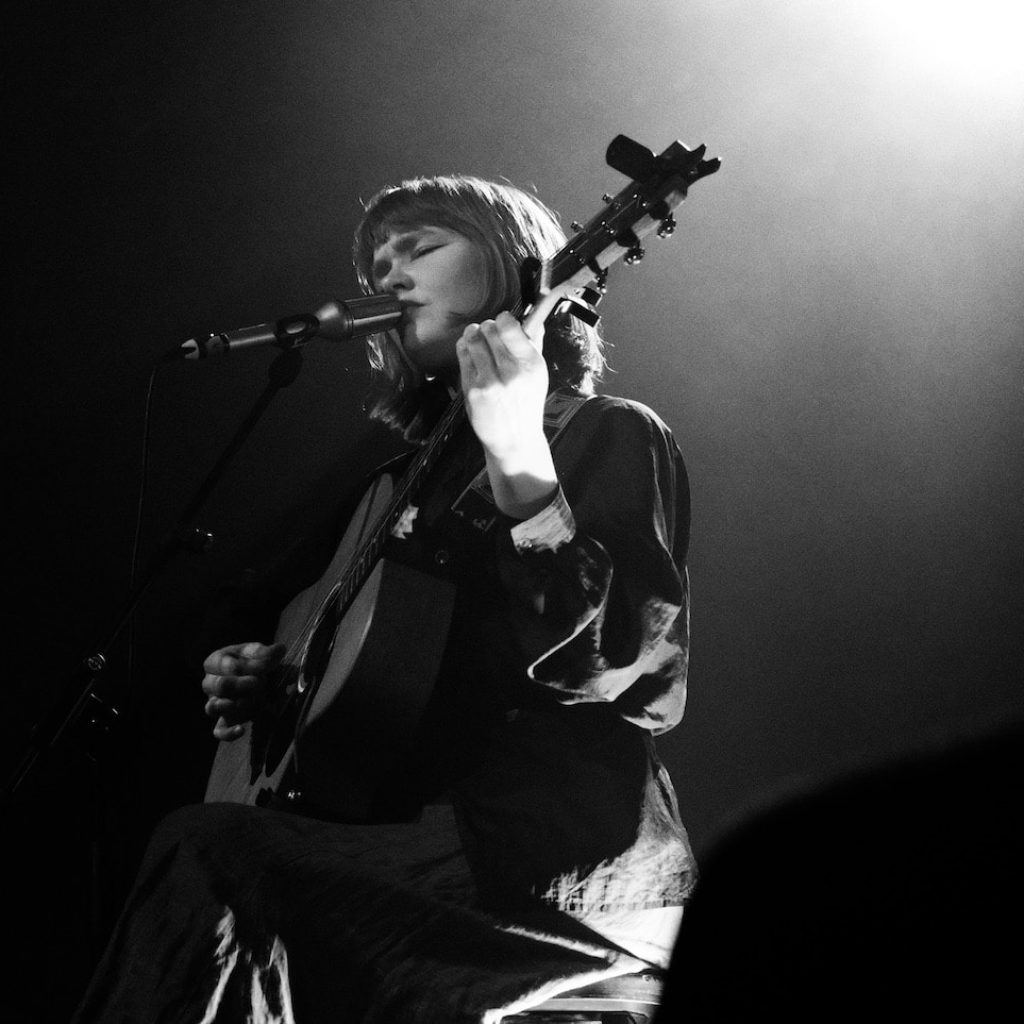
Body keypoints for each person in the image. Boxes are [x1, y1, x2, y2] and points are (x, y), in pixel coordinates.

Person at [74, 175, 696, 1023]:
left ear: (519, 269)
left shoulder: (606, 429)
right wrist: (273, 684)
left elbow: (633, 672)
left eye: (423, 248)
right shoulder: (389, 491)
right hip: (398, 836)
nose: (389, 279)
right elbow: (368, 662)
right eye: (378, 267)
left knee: (209, 852)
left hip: (552, 860)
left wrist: (517, 457)